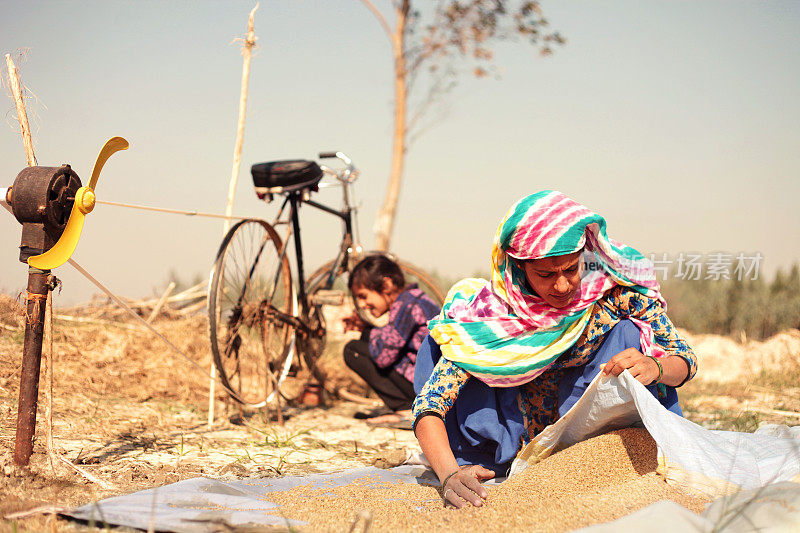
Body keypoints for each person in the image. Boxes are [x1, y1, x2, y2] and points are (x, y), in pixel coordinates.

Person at [412, 190, 698, 508]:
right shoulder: (489, 320)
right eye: (545, 274)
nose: (562, 286)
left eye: (570, 270)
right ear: (520, 269)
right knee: (442, 339)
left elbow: (683, 358)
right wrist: (450, 474)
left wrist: (656, 366)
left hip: (589, 445)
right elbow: (430, 405)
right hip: (504, 448)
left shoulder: (611, 296)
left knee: (628, 332)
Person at [342, 255, 440, 427]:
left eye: (363, 296)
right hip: (434, 382)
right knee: (366, 337)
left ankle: (407, 409)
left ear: (386, 285)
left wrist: (368, 331)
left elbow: (383, 357)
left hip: (428, 387)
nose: (363, 304)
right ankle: (408, 405)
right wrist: (366, 329)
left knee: (353, 350)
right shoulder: (415, 298)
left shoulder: (406, 306)